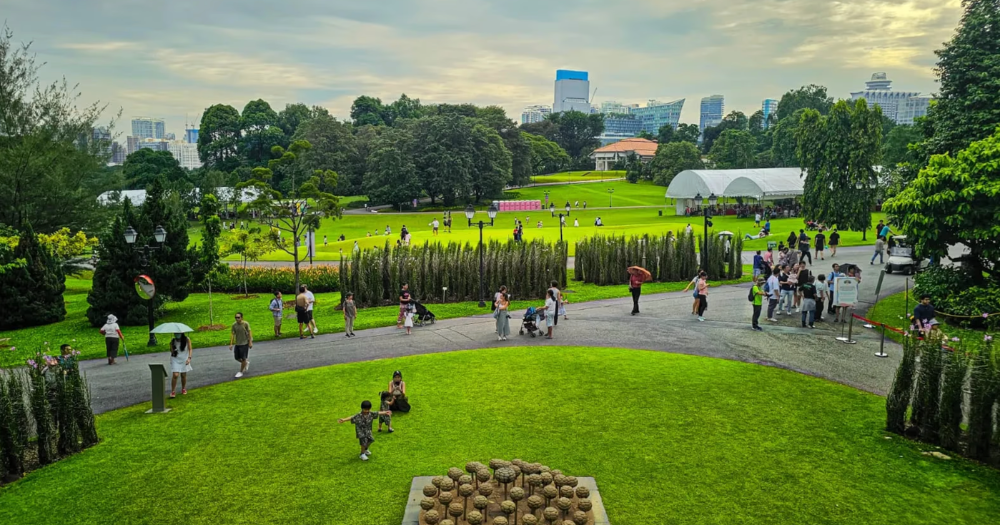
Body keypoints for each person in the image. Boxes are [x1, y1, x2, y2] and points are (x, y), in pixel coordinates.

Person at [229, 312, 252, 379]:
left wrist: (250, 342)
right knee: (236, 357)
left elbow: (249, 332)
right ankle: (245, 363)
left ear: (242, 318)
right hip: (238, 343)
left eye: (238, 317)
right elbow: (232, 334)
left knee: (243, 358)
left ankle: (241, 372)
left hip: (244, 343)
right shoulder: (234, 325)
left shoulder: (245, 324)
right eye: (236, 317)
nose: (237, 319)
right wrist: (231, 344)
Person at [169, 332, 193, 398]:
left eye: (178, 333)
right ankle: (173, 391)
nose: (177, 334)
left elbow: (190, 349)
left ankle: (183, 388)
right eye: (175, 333)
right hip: (175, 359)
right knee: (175, 375)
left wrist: (189, 358)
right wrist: (171, 346)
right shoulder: (173, 341)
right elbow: (172, 352)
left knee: (183, 375)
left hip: (184, 358)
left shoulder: (187, 339)